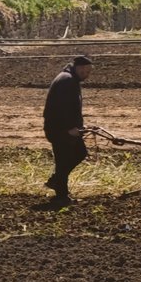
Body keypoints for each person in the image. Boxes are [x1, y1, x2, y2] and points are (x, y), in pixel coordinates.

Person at [43, 55, 93, 204]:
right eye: (87, 71)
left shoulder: (70, 79)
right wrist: (69, 129)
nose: (88, 74)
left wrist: (80, 127)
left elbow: (71, 108)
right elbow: (62, 109)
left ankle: (57, 182)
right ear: (81, 68)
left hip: (66, 129)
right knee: (65, 159)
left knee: (78, 154)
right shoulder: (67, 81)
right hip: (60, 130)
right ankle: (61, 195)